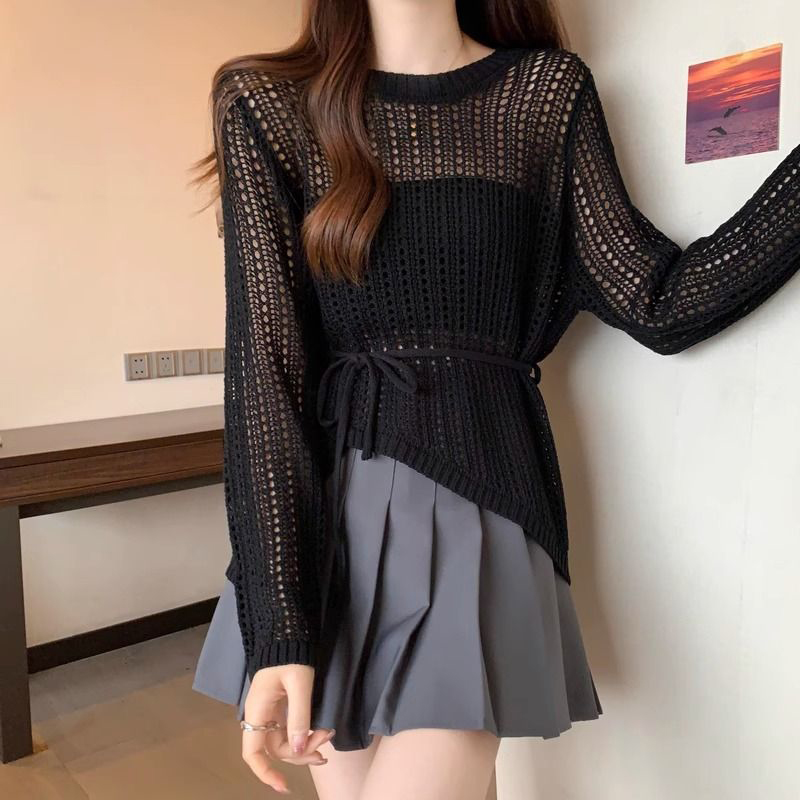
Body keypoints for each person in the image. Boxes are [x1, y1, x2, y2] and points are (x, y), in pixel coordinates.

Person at [189, 1, 800, 798]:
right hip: (329, 523)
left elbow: (659, 300)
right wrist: (280, 621)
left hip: (479, 499)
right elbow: (265, 373)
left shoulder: (543, 94)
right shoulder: (268, 104)